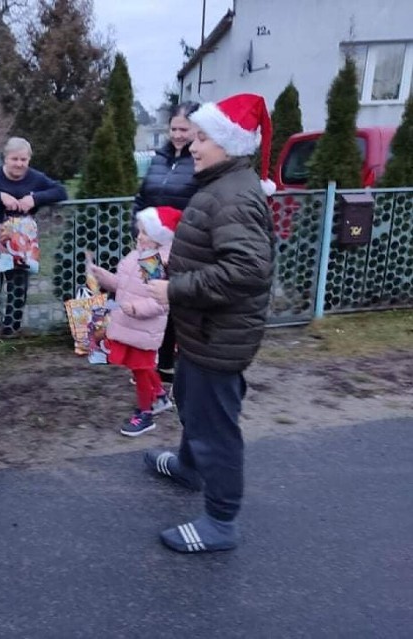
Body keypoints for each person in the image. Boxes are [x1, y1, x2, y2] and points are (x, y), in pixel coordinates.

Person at [145, 93, 277, 554]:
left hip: (218, 333)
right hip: (206, 329)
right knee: (192, 401)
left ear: (228, 142)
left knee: (214, 425)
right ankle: (188, 466)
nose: (193, 146)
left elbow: (246, 271)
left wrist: (175, 290)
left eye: (202, 138)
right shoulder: (225, 185)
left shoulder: (233, 195)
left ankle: (221, 521)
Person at [87, 206, 182, 437]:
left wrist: (136, 308)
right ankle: (159, 396)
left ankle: (145, 413)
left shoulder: (155, 262)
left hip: (143, 327)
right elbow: (123, 283)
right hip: (131, 325)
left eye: (145, 233)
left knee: (140, 369)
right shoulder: (139, 254)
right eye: (139, 231)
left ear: (159, 237)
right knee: (141, 366)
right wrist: (103, 276)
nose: (139, 236)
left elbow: (161, 302)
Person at [133, 102, 200, 385]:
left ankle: (173, 368)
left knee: (176, 305)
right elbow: (142, 196)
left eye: (184, 129)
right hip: (150, 246)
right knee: (152, 301)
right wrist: (136, 228)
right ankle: (152, 364)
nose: (177, 134)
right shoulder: (159, 159)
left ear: (198, 130)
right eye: (174, 128)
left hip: (182, 247)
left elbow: (201, 206)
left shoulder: (199, 161)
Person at [0, 137, 67, 336]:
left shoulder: (35, 178)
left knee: (18, 283)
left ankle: (12, 328)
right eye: (14, 159)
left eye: (23, 160)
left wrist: (34, 198)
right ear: (5, 159)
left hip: (22, 242)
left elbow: (60, 191)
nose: (19, 164)